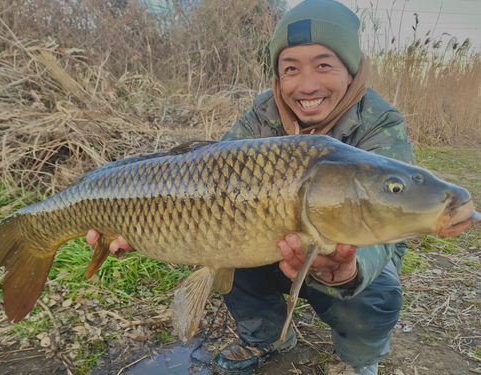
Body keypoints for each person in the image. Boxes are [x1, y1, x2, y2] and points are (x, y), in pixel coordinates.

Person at [86, 1, 415, 374]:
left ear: (352, 70)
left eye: (324, 65)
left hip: (350, 253)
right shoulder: (263, 114)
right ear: (277, 76)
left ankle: (361, 360)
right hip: (272, 244)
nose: (307, 85)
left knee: (376, 290)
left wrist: (351, 270)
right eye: (290, 69)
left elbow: (392, 227)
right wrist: (141, 221)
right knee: (231, 238)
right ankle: (268, 338)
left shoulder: (380, 123)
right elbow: (206, 181)